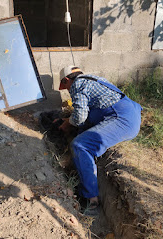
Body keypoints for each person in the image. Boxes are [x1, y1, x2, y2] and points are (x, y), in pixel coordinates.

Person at [58, 66, 142, 215]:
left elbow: (79, 117)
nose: (68, 92)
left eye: (65, 88)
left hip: (122, 119)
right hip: (129, 112)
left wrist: (68, 122)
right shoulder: (94, 79)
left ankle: (91, 200)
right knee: (82, 133)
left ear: (66, 80)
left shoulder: (77, 84)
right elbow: (88, 116)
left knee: (80, 145)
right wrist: (71, 122)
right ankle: (78, 166)